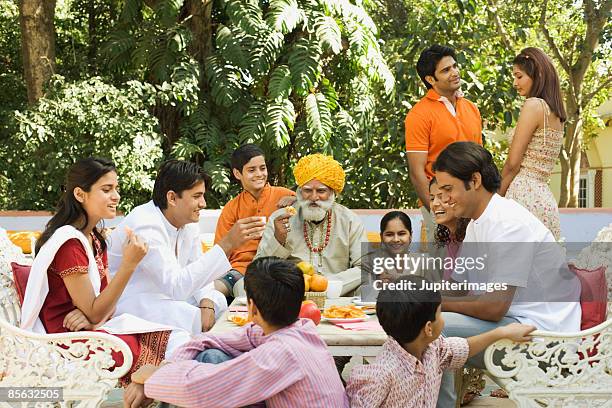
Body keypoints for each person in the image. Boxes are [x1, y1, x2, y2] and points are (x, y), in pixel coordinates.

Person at [432, 141, 581, 407]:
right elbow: (457, 286)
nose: (443, 199)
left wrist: (434, 302)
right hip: (515, 325)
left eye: (448, 189)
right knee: (420, 317)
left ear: (474, 180)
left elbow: (493, 307)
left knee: (431, 330)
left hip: (543, 340)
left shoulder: (508, 223)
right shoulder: (481, 222)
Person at [20, 158, 189, 387]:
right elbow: (97, 311)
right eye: (106, 190)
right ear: (80, 194)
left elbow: (102, 309)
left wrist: (91, 318)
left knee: (178, 339)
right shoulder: (70, 245)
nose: (116, 196)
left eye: (116, 188)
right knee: (166, 349)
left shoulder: (95, 238)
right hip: (69, 340)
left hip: (90, 329)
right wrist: (129, 265)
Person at [123, 257, 348, 408]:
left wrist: (148, 377)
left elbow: (195, 388)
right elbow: (207, 339)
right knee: (209, 355)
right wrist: (165, 368)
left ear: (252, 308)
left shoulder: (279, 354)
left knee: (205, 370)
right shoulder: (301, 330)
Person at [108, 160, 265, 333]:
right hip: (136, 302)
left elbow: (196, 267)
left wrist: (207, 303)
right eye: (197, 196)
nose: (203, 203)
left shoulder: (186, 222)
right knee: (192, 318)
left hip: (170, 296)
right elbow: (176, 287)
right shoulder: (146, 226)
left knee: (216, 302)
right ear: (172, 198)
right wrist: (227, 243)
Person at [346, 275, 536, 407]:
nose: (444, 318)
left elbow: (464, 348)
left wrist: (501, 333)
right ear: (429, 328)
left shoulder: (433, 350)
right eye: (440, 313)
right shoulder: (380, 375)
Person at [255, 153, 366, 296]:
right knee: (244, 285)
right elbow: (259, 268)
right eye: (307, 190)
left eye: (321, 191)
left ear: (332, 192)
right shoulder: (280, 218)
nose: (314, 197)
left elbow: (366, 266)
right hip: (289, 293)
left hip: (339, 292)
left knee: (372, 287)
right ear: (299, 192)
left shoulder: (349, 220)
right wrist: (278, 239)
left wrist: (329, 285)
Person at [405, 44, 482, 244]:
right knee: (441, 270)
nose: (455, 72)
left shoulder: (471, 108)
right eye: (446, 70)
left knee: (476, 268)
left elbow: (480, 163)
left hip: (472, 207)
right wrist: (438, 211)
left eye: (455, 66)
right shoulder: (419, 114)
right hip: (441, 209)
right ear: (430, 79)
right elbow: (417, 172)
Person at [500, 47, 566, 240]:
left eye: (519, 76)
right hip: (544, 199)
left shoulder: (534, 105)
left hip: (522, 195)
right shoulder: (556, 113)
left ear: (536, 74)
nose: (515, 83)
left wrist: (494, 199)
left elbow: (512, 164)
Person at [213, 144, 295, 298]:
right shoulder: (232, 208)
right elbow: (220, 250)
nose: (259, 174)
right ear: (238, 173)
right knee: (213, 291)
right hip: (240, 269)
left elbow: (308, 203)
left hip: (275, 266)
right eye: (251, 170)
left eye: (262, 168)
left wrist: (294, 199)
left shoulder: (283, 195)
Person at [429, 178, 470, 280]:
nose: (435, 204)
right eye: (432, 198)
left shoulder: (473, 235)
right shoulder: (451, 239)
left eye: (441, 197)